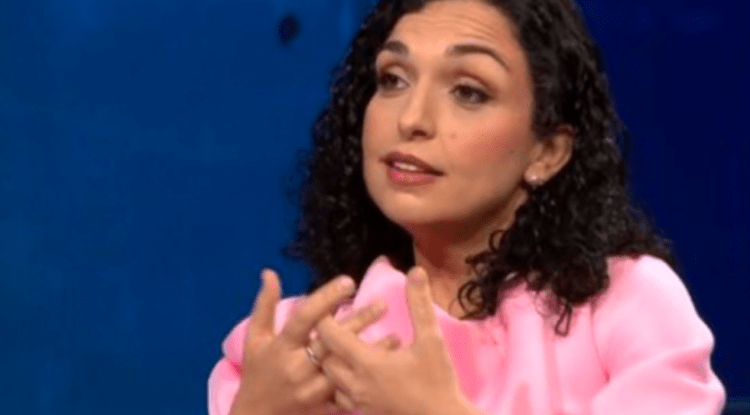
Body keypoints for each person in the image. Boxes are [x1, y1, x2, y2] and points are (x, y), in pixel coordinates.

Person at [208, 0, 726, 414]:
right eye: (393, 79)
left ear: (547, 151)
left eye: (469, 92)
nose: (412, 118)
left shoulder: (628, 305)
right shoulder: (296, 347)